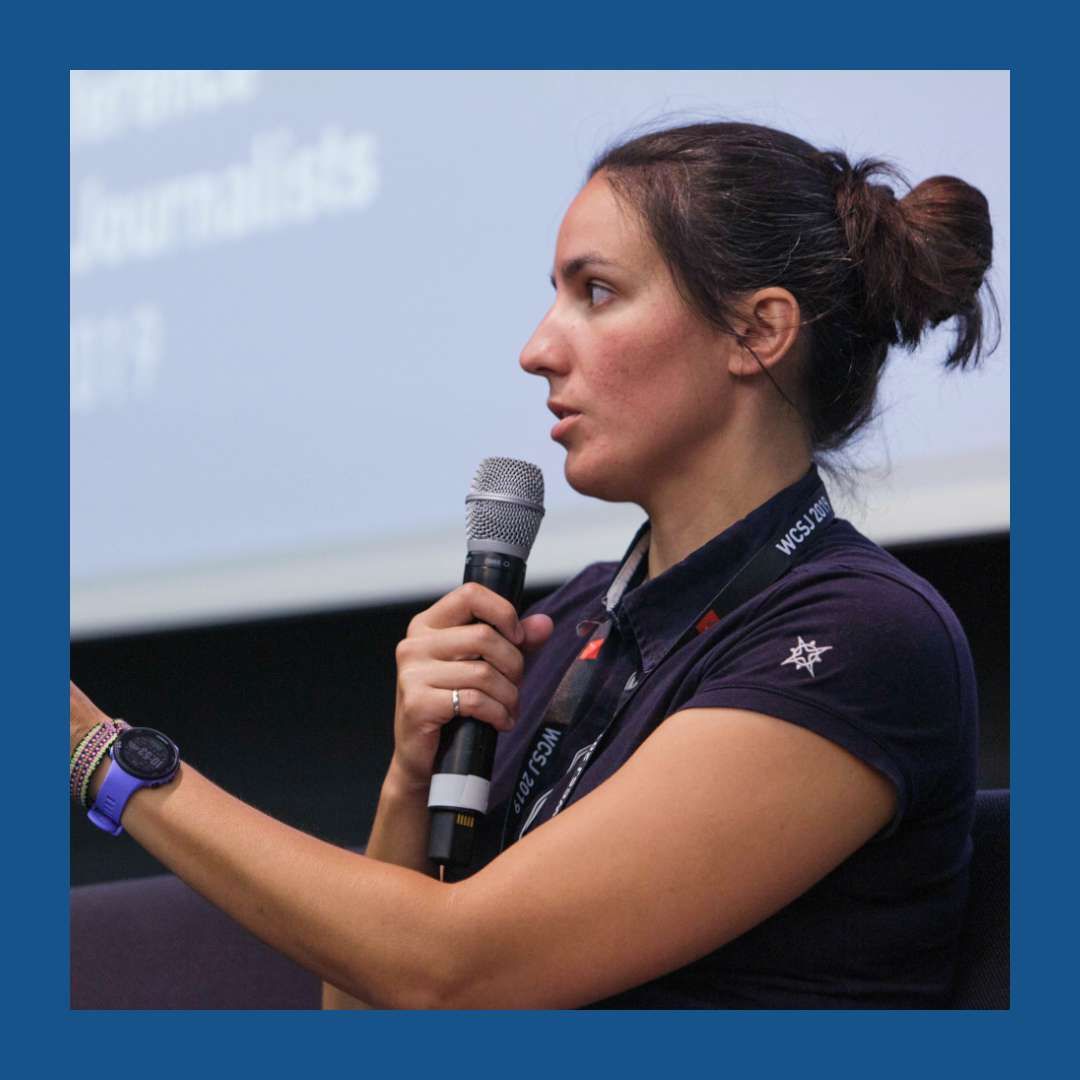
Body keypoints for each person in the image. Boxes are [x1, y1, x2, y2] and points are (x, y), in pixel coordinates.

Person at [69, 120, 996, 1009]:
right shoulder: (578, 619)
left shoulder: (861, 635)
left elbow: (450, 970)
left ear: (758, 332)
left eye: (596, 292)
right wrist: (410, 782)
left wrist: (100, 754)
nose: (537, 350)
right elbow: (367, 1021)